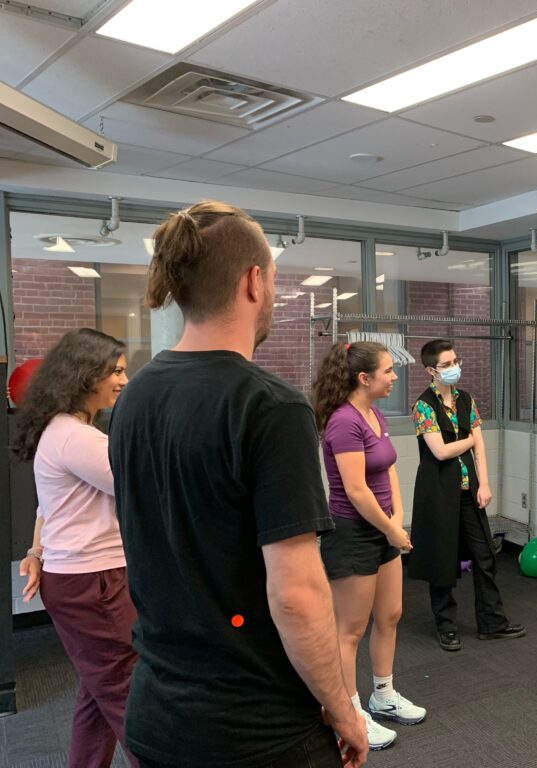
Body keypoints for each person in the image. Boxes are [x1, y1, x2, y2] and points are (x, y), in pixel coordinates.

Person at [107, 201, 368, 768]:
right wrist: (344, 708)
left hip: (156, 720)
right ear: (254, 281)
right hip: (255, 733)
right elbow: (296, 595)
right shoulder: (270, 407)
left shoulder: (134, 396)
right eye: (273, 279)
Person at [12, 328, 136, 768]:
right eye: (115, 371)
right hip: (93, 581)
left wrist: (36, 552)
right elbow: (142, 488)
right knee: (131, 697)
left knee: (98, 691)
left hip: (82, 578)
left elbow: (48, 507)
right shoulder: (77, 438)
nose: (124, 380)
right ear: (86, 375)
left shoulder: (65, 430)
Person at [311, 341, 424, 751]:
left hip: (381, 527)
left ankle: (383, 694)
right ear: (364, 378)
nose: (395, 377)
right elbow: (356, 490)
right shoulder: (344, 421)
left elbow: (389, 469)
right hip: (351, 531)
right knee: (350, 630)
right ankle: (350, 713)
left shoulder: (373, 414)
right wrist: (390, 530)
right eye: (389, 371)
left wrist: (396, 520)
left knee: (390, 614)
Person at [408, 339, 525, 652]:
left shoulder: (465, 400)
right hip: (437, 494)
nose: (453, 368)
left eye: (455, 361)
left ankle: (492, 623)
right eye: (446, 365)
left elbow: (481, 446)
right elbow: (441, 451)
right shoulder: (423, 406)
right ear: (431, 370)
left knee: (484, 555)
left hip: (467, 490)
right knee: (442, 560)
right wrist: (469, 440)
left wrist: (483, 483)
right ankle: (445, 626)